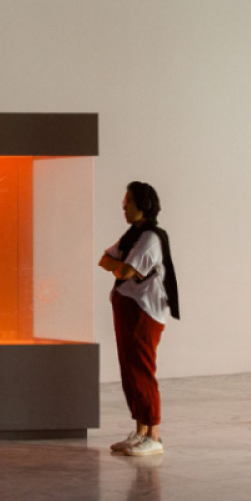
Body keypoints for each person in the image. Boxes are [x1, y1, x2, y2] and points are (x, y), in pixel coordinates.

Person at [98, 181, 179, 457]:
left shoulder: (150, 238)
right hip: (127, 307)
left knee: (142, 370)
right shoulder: (133, 235)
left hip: (144, 311)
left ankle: (153, 435)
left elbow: (125, 272)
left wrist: (121, 266)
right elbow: (105, 260)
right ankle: (140, 431)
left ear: (144, 204)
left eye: (129, 201)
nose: (124, 206)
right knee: (129, 371)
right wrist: (121, 266)